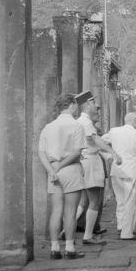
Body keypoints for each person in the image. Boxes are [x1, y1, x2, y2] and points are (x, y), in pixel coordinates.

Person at [38, 94, 86, 259]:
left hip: (53, 170)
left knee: (56, 211)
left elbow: (41, 152)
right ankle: (71, 248)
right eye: (76, 105)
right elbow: (76, 152)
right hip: (70, 169)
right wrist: (61, 165)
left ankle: (54, 248)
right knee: (70, 212)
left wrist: (51, 170)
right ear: (72, 105)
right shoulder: (76, 125)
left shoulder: (48, 127)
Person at [76, 99, 121, 245]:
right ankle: (88, 235)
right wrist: (113, 152)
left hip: (84, 160)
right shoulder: (86, 122)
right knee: (94, 200)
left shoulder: (79, 121)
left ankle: (66, 229)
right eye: (93, 102)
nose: (96, 106)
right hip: (90, 161)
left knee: (83, 200)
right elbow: (96, 140)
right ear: (87, 105)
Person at [102, 113, 136, 240]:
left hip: (116, 169)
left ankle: (120, 226)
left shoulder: (114, 131)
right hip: (130, 171)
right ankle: (126, 233)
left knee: (120, 200)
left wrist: (109, 156)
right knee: (130, 202)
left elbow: (99, 142)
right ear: (134, 120)